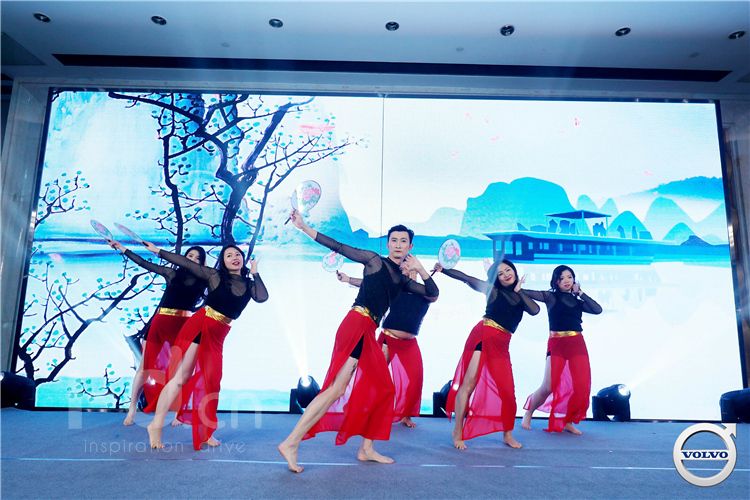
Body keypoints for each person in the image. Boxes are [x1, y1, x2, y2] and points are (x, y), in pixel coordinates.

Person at [278, 211, 438, 473]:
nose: (398, 245)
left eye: (403, 241)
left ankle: (365, 448)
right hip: (357, 324)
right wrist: (304, 227)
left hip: (367, 329)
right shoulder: (375, 261)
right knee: (335, 389)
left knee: (373, 389)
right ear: (388, 244)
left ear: (410, 247)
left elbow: (432, 293)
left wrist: (420, 268)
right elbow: (339, 246)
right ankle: (292, 442)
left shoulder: (402, 280)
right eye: (394, 240)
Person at [140, 241, 268, 450]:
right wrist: (158, 251)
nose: (234, 257)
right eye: (228, 255)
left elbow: (262, 298)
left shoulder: (249, 284)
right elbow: (186, 263)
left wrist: (255, 272)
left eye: (237, 254)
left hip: (219, 333)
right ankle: (155, 425)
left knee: (212, 381)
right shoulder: (215, 276)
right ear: (223, 261)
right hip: (201, 325)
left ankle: (206, 431)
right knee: (181, 377)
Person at [433, 259, 539, 450]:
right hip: (483, 335)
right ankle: (458, 431)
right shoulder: (493, 290)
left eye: (508, 270)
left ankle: (507, 434)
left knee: (508, 392)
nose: (506, 274)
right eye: (500, 273)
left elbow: (535, 310)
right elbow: (467, 279)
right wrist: (444, 270)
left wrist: (519, 291)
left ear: (514, 271)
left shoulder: (521, 296)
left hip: (502, 345)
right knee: (469, 384)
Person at [106, 240, 207, 426]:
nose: (193, 260)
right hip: (161, 322)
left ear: (202, 263)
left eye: (197, 258)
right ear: (183, 258)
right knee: (144, 367)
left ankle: (179, 412)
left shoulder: (205, 280)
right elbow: (144, 263)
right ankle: (132, 409)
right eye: (190, 256)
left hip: (184, 326)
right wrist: (121, 248)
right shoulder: (172, 273)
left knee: (181, 370)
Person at [337, 267, 435, 428]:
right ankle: (359, 410)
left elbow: (433, 291)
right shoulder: (396, 288)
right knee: (373, 377)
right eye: (406, 269)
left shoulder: (426, 292)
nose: (409, 271)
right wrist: (348, 280)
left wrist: (438, 270)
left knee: (415, 380)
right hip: (388, 339)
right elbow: (370, 284)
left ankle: (405, 415)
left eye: (412, 269)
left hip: (409, 343)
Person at [522, 265, 602, 434]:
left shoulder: (577, 301)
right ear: (556, 281)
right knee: (548, 386)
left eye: (569, 277)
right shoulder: (550, 296)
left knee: (580, 386)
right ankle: (529, 411)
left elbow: (597, 309)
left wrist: (580, 293)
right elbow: (527, 293)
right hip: (557, 344)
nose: (566, 281)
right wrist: (517, 287)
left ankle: (568, 421)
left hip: (577, 343)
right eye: (562, 278)